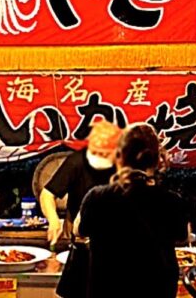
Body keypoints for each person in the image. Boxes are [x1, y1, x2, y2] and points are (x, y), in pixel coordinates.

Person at [75, 123, 188, 298]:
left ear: (119, 157)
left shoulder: (97, 196)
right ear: (158, 159)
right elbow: (182, 236)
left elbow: (79, 230)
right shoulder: (171, 200)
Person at [40, 120, 122, 246]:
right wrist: (53, 220)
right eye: (95, 152)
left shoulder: (124, 165)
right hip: (79, 234)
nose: (99, 157)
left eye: (104, 154)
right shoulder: (76, 162)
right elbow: (47, 194)